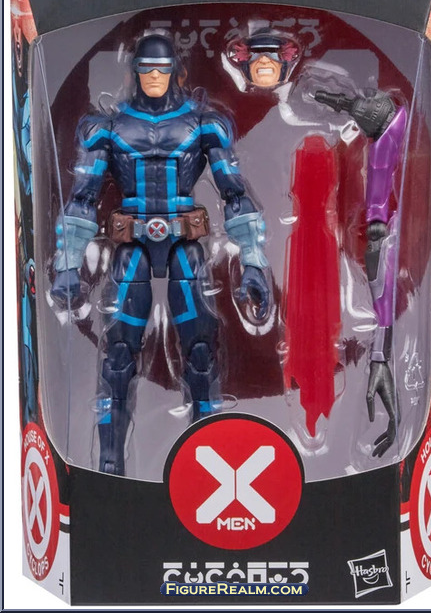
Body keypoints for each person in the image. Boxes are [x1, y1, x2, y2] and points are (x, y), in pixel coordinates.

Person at [51, 34, 270, 475]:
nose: (154, 77)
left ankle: (208, 461)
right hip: (131, 249)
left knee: (201, 351)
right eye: (147, 70)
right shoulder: (109, 129)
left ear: (175, 72)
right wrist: (68, 265)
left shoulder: (203, 125)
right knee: (118, 356)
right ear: (135, 72)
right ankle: (110, 465)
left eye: (161, 70)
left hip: (184, 249)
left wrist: (254, 262)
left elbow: (234, 194)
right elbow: (82, 199)